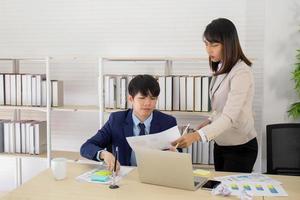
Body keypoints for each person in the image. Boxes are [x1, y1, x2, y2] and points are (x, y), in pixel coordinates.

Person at [172, 18, 258, 173]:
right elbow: (221, 106)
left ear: (229, 44)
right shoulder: (221, 66)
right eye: (206, 44)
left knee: (231, 194)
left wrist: (197, 136)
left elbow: (230, 117)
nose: (208, 49)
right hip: (220, 142)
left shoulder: (241, 72)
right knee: (220, 190)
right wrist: (210, 120)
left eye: (214, 44)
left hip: (240, 147)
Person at [80, 74, 177, 172]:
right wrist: (104, 154)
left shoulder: (168, 122)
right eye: (142, 98)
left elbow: (178, 154)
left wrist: (175, 154)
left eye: (153, 98)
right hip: (125, 176)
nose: (148, 103)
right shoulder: (116, 120)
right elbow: (86, 147)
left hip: (156, 176)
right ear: (131, 99)